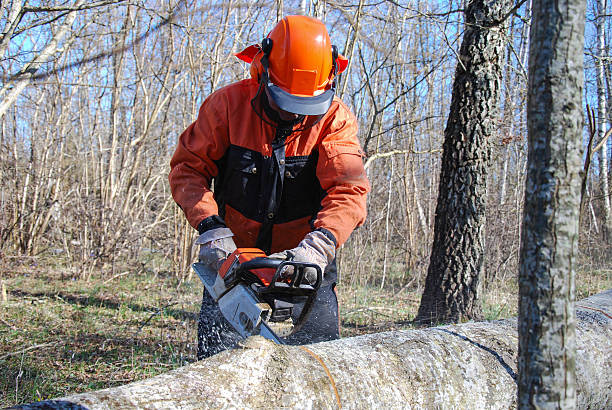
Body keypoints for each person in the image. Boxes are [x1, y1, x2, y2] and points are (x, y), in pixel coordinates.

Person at [168, 15, 369, 359]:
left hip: (304, 257)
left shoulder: (335, 119)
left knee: (319, 360)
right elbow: (188, 168)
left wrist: (320, 246)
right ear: (262, 71)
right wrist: (209, 227)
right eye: (285, 100)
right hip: (235, 252)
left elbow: (347, 189)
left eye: (304, 105)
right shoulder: (227, 107)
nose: (293, 114)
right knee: (219, 360)